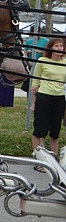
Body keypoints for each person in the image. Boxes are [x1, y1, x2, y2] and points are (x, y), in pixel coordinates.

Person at [30, 37, 66, 170]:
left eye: (61, 46)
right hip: (44, 96)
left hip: (59, 98)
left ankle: (53, 160)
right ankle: (39, 158)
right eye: (56, 46)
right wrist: (34, 102)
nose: (59, 49)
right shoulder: (42, 61)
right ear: (50, 48)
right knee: (40, 129)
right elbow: (35, 82)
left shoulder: (65, 63)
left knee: (55, 130)